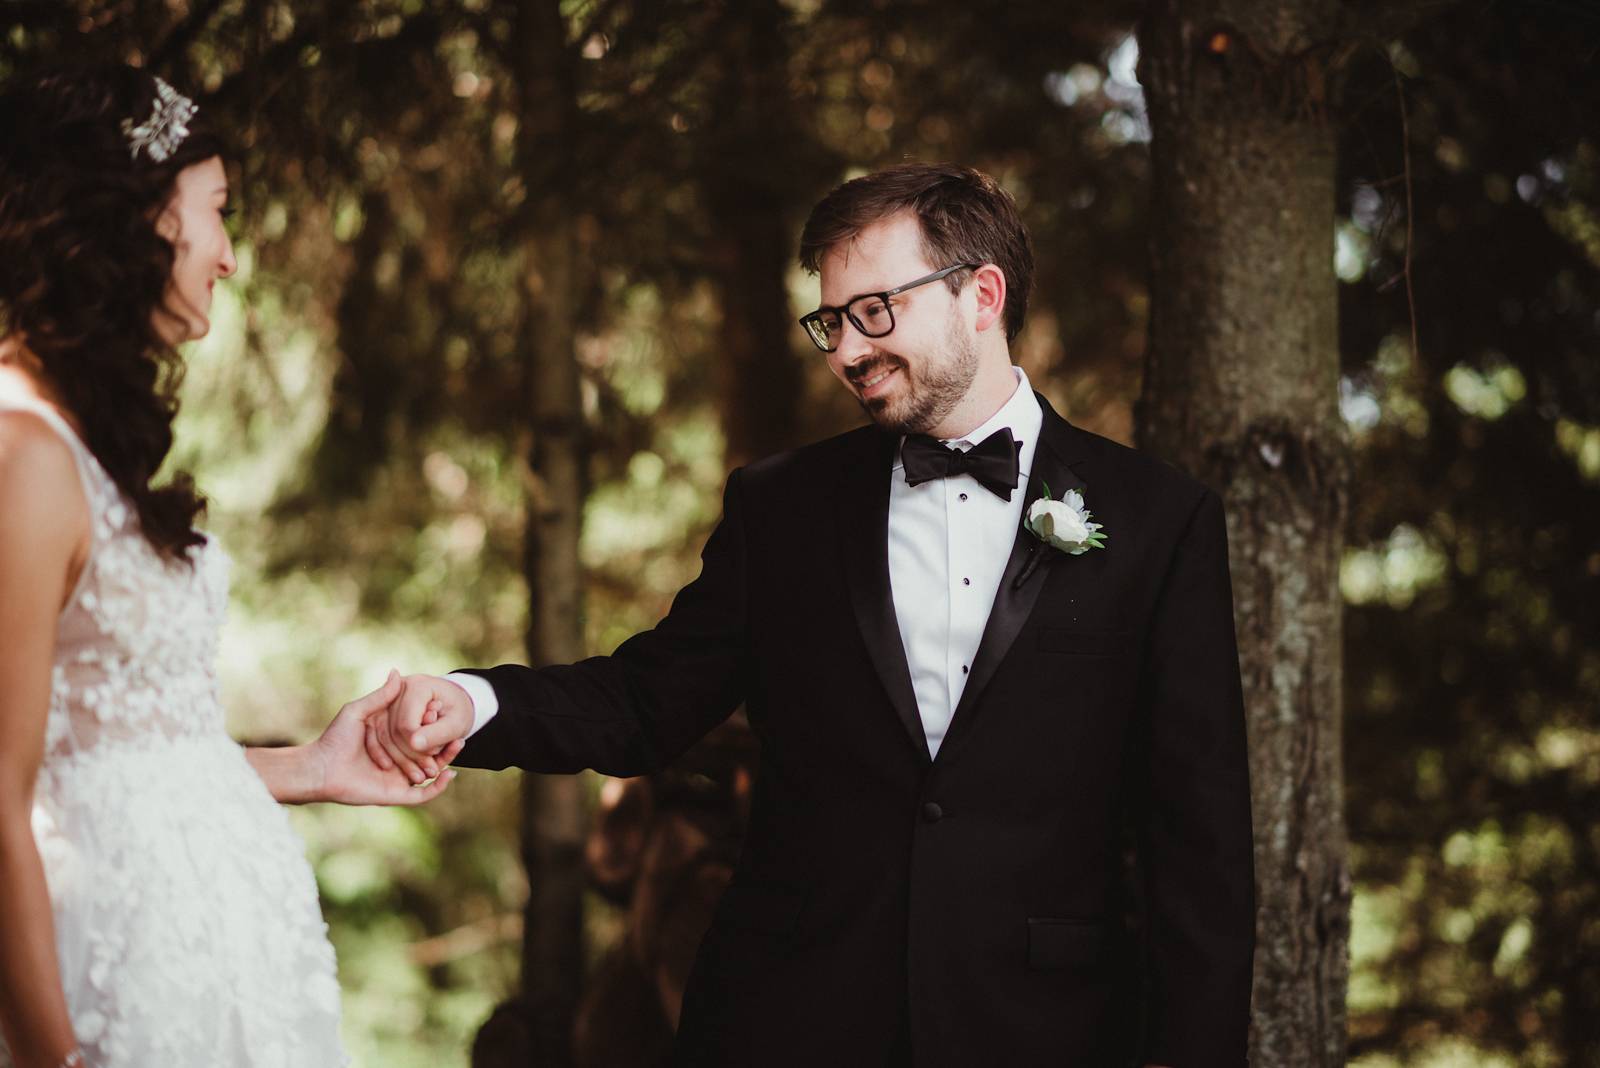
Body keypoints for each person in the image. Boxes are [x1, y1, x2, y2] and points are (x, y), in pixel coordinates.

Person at [371, 163, 1256, 1066]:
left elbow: (1200, 840)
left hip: (1043, 1028)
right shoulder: (780, 509)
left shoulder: (1159, 521)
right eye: (831, 322)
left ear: (982, 296)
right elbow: (645, 702)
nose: (845, 351)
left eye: (875, 311)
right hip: (791, 1019)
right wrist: (472, 703)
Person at [0, 66, 460, 1068]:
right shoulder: (21, 454)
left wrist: (310, 768)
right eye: (217, 211)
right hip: (100, 996)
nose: (231, 255)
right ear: (140, 220)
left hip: (201, 988)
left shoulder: (84, 449)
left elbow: (116, 761)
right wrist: (48, 1055)